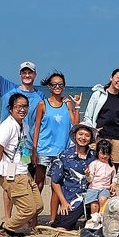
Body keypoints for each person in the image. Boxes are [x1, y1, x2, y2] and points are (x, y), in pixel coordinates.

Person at [0, 37, 45, 222]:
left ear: (35, 75)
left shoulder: (40, 95)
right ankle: (8, 218)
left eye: (30, 72)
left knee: (25, 181)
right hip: (9, 147)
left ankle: (30, 218)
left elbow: (41, 121)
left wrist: (35, 149)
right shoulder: (8, 88)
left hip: (26, 147)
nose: (27, 75)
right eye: (24, 72)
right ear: (20, 74)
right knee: (9, 184)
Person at [0, 94, 44, 237]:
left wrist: (29, 161)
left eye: (25, 106)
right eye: (18, 106)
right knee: (28, 209)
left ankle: (10, 226)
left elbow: (23, 148)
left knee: (38, 206)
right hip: (12, 173)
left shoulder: (24, 125)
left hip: (23, 171)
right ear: (10, 109)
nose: (22, 109)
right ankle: (5, 230)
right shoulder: (7, 126)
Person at [32, 72, 81, 224]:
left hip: (61, 151)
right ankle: (33, 217)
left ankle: (53, 219)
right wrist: (34, 149)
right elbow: (37, 127)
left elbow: (75, 124)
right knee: (39, 183)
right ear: (49, 87)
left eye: (60, 84)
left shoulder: (67, 104)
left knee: (56, 185)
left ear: (64, 86)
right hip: (44, 150)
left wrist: (77, 106)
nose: (57, 87)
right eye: (54, 84)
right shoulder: (42, 104)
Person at [82, 68, 119, 172]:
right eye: (118, 78)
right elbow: (88, 116)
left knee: (112, 172)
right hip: (99, 137)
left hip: (117, 139)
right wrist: (92, 132)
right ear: (111, 77)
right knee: (95, 169)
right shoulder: (98, 94)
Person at [49, 123, 96, 231]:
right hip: (72, 198)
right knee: (61, 227)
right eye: (80, 134)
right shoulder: (64, 155)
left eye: (87, 135)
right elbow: (55, 181)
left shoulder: (95, 156)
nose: (83, 138)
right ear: (75, 135)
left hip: (91, 196)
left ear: (91, 138)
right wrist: (63, 202)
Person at [85, 139, 117, 214]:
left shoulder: (111, 165)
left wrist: (114, 183)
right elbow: (90, 180)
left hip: (105, 189)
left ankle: (102, 217)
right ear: (97, 153)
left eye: (107, 154)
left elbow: (114, 177)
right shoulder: (94, 164)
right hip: (93, 188)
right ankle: (94, 218)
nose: (105, 156)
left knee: (103, 200)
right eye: (102, 153)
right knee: (94, 206)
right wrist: (87, 175)